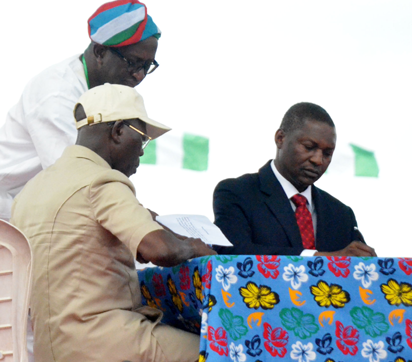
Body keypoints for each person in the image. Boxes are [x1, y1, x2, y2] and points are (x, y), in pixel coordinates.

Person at [11, 83, 216, 362]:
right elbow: (159, 250)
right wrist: (194, 247)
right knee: (222, 349)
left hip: (49, 348)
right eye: (142, 138)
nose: (142, 152)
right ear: (118, 131)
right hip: (106, 343)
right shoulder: (102, 180)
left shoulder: (32, 191)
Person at [0, 0, 160, 221]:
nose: (139, 75)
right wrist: (139, 219)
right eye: (133, 63)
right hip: (9, 212)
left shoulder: (107, 94)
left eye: (147, 66)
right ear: (100, 52)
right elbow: (74, 180)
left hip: (41, 206)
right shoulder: (56, 93)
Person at [213, 102, 377, 257]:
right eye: (309, 147)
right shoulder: (237, 193)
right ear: (280, 139)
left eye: (327, 154)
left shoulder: (341, 215)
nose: (318, 160)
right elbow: (232, 252)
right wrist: (319, 258)